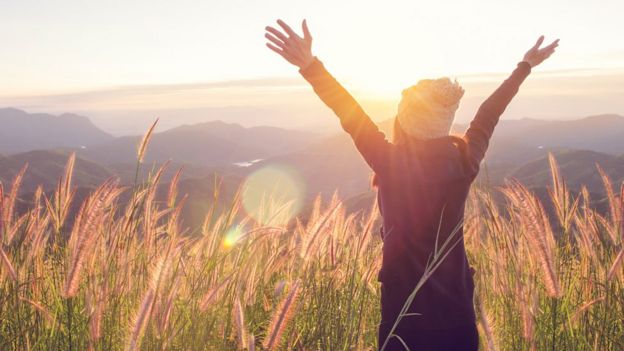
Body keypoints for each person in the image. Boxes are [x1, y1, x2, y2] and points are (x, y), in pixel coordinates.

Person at [265, 19, 558, 351]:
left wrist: (310, 65)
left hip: (403, 322)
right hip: (457, 317)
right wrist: (525, 66)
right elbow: (489, 113)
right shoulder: (464, 162)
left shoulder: (391, 164)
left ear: (403, 120)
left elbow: (350, 113)